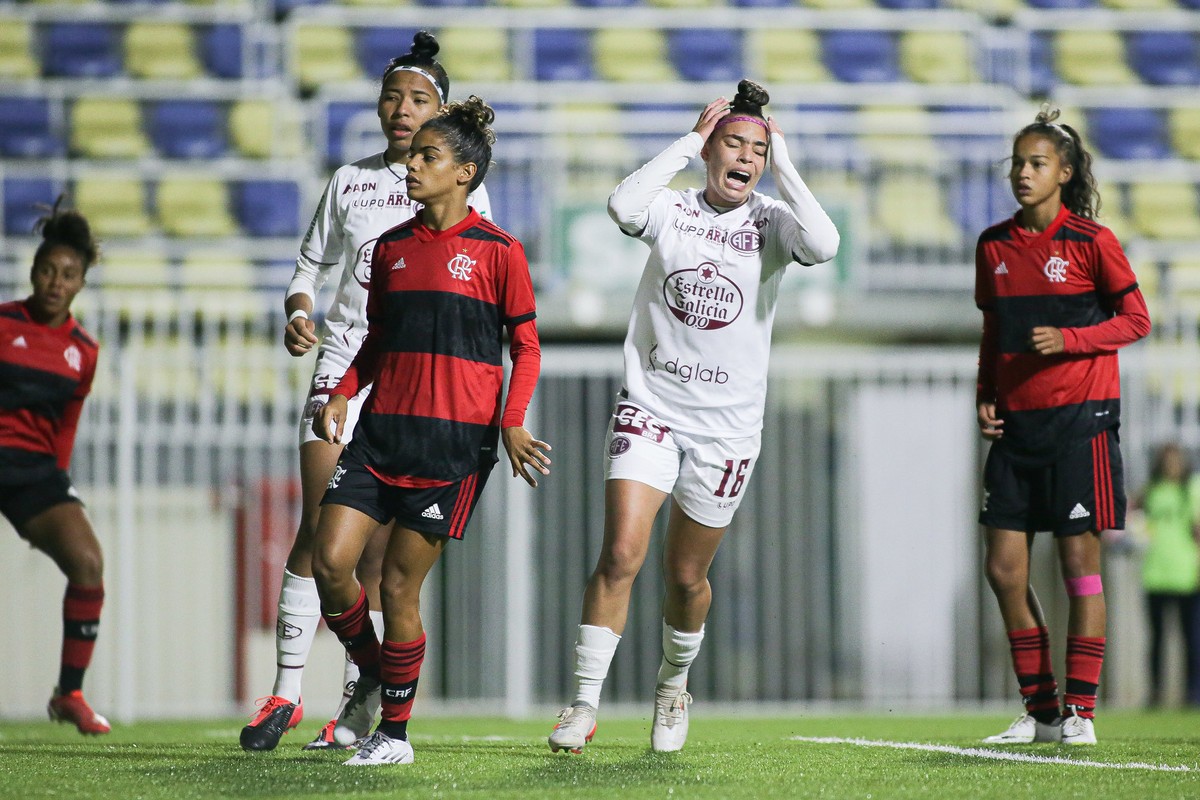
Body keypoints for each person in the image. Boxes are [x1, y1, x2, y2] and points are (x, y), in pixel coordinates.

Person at [547, 80, 839, 755]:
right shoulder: (673, 209)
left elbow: (824, 245)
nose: (745, 158)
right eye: (732, 143)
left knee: (686, 578)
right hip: (651, 407)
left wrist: (786, 161)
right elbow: (622, 205)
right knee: (620, 552)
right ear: (710, 149)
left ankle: (672, 687)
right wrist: (684, 141)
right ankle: (584, 702)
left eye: (757, 150)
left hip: (726, 430)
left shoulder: (770, 221)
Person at [239, 31, 492, 752]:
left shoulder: (464, 187)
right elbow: (307, 266)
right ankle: (286, 690)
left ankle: (361, 703)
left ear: (442, 114)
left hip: (416, 380)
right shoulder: (349, 181)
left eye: (418, 99)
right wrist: (298, 311)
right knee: (322, 531)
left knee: (380, 566)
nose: (402, 109)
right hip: (346, 361)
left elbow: (483, 288)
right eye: (393, 95)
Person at [308, 96, 550, 766]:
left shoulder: (500, 252)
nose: (411, 165)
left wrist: (511, 421)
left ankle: (394, 736)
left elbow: (525, 348)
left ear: (465, 172)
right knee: (331, 563)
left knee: (397, 590)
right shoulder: (388, 250)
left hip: (452, 449)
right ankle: (376, 669)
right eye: (412, 155)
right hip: (380, 434)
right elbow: (376, 340)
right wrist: (342, 391)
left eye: (428, 156)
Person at [975, 106, 1151, 747]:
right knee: (1003, 569)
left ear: (1064, 173)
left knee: (1079, 569)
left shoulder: (1092, 242)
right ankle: (1041, 710)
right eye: (1017, 163)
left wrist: (1073, 338)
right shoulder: (993, 244)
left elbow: (1136, 319)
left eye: (1036, 163)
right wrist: (986, 395)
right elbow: (993, 332)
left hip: (1082, 426)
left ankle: (1081, 711)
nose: (1023, 173)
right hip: (1018, 431)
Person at [1, 199, 106, 734]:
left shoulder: (83, 350)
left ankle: (69, 694)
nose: (54, 282)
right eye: (47, 270)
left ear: (81, 283)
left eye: (67, 274)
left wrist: (60, 483)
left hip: (35, 474)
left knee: (88, 563)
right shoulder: (3, 324)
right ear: (33, 271)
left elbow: (66, 423)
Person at [1135, 443, 1200, 707]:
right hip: (1155, 573)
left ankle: (1192, 693)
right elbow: (1134, 520)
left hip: (1186, 574)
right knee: (1157, 639)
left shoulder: (1192, 489)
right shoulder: (1150, 491)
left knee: (1192, 639)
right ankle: (1156, 693)